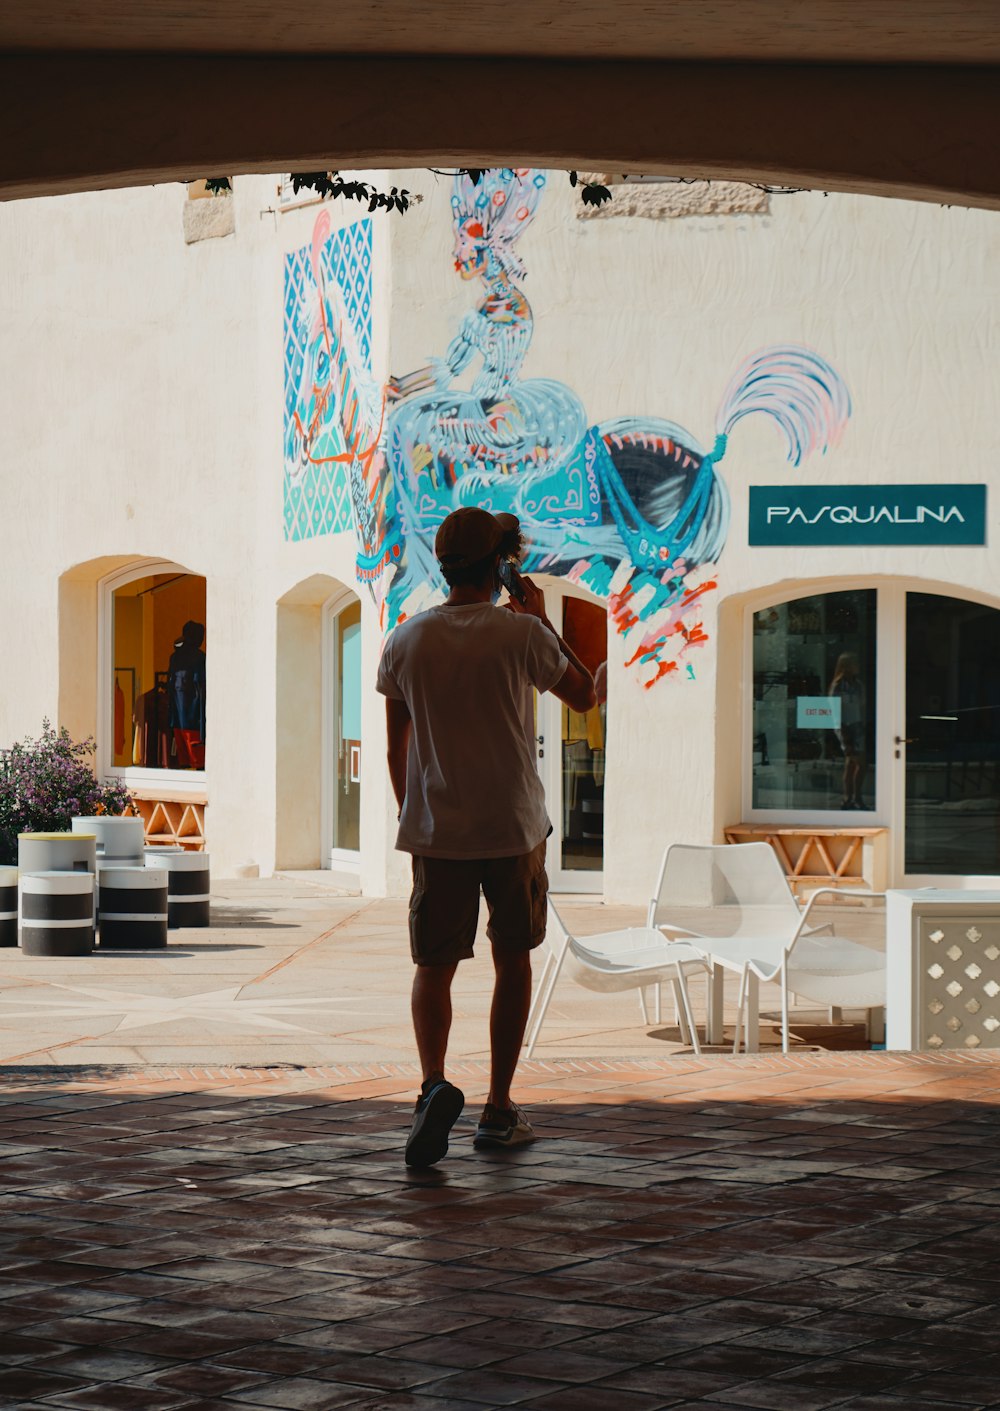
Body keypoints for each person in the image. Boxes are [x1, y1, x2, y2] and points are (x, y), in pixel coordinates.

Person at [376, 506, 596, 1168]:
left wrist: (415, 814)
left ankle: (432, 1086)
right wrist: (541, 619)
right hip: (512, 827)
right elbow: (585, 695)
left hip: (438, 829)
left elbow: (396, 748)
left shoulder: (406, 639)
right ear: (499, 565)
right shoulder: (519, 636)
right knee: (513, 960)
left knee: (433, 967)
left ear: (441, 565)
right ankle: (499, 1109)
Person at [830, 651, 867, 809]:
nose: (857, 666)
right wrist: (843, 732)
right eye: (854, 663)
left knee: (850, 763)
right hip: (844, 727)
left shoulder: (858, 685)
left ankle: (848, 799)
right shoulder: (838, 685)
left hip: (857, 726)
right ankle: (855, 796)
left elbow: (862, 705)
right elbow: (834, 708)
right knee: (861, 763)